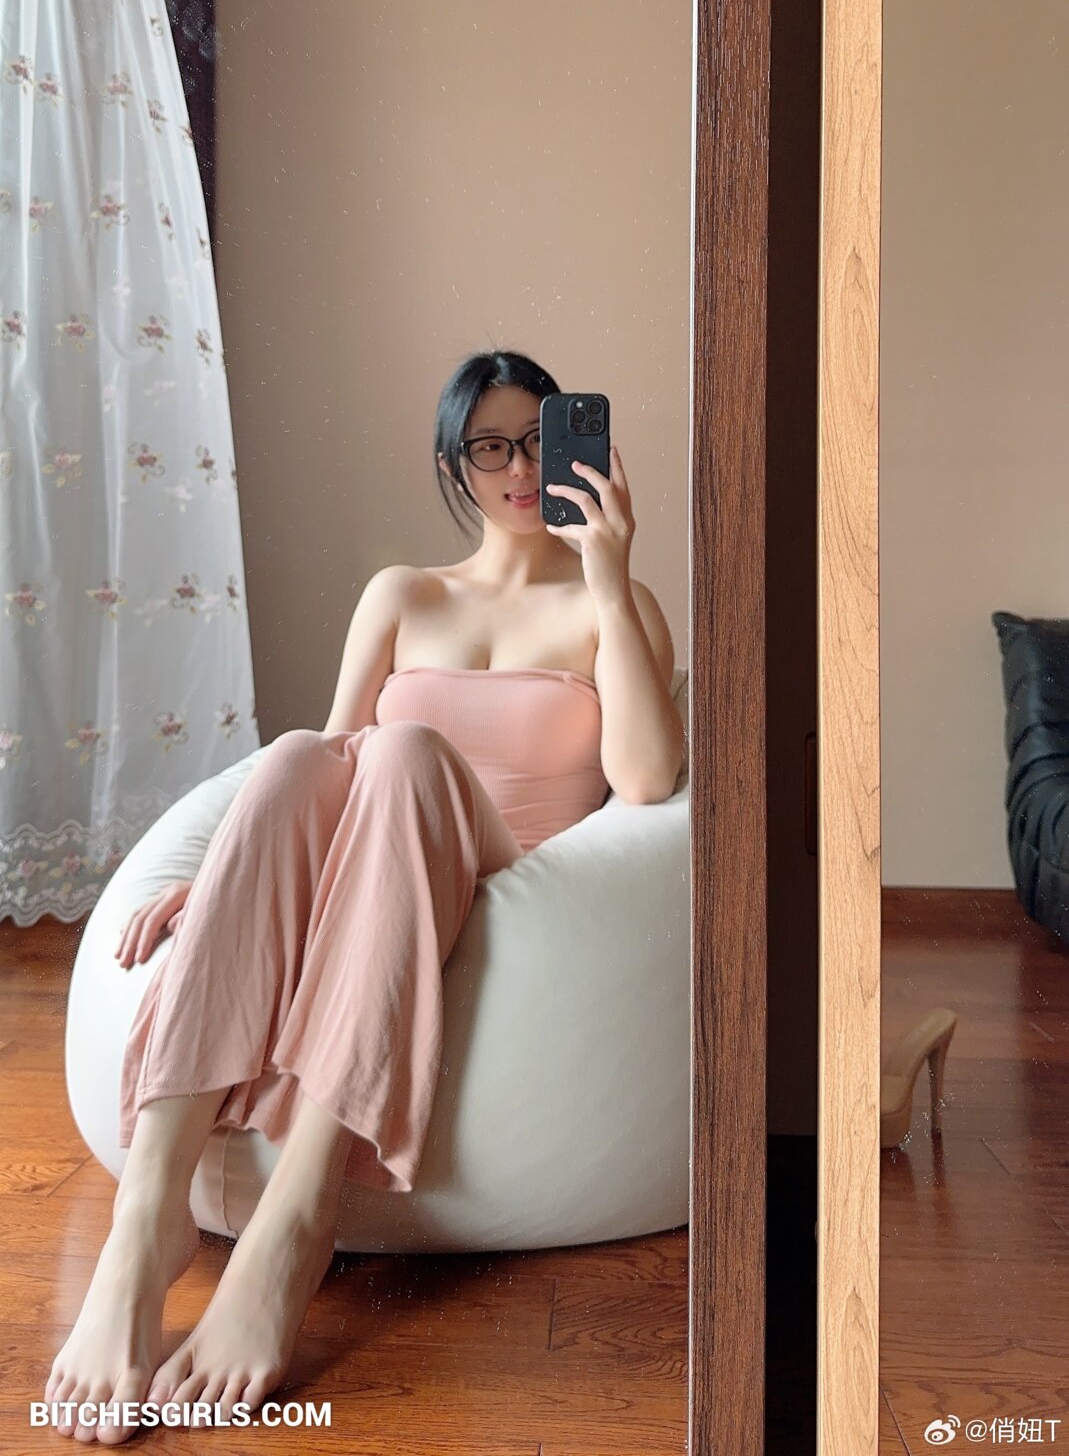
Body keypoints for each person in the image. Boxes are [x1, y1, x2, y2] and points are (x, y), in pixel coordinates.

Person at [44, 347, 685, 1444]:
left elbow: (645, 779)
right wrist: (217, 879)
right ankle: (145, 1220)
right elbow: (325, 763)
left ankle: (296, 1219)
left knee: (405, 750)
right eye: (491, 446)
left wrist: (609, 577)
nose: (520, 468)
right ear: (453, 462)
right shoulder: (403, 594)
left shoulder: (609, 605)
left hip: (505, 876)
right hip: (368, 862)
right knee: (307, 750)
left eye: (540, 441)